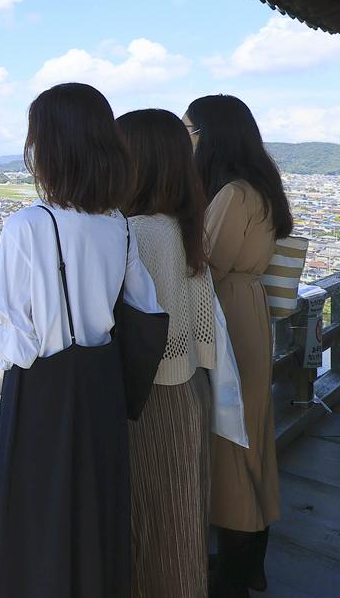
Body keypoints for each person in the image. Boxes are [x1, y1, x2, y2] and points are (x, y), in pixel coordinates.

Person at [0, 82, 163, 598]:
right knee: (96, 513)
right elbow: (146, 308)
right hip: (101, 390)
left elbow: (7, 337)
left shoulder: (28, 225)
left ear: (51, 148)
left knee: (38, 522)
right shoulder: (118, 225)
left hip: (45, 393)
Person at [184, 95, 292, 597]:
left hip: (226, 315)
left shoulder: (232, 194)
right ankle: (251, 565)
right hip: (250, 315)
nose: (188, 138)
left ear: (211, 134)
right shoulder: (262, 188)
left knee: (231, 444)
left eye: (191, 129)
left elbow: (207, 266)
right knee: (252, 439)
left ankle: (230, 577)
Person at [118, 109, 217, 598]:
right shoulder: (182, 223)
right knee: (180, 526)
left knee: (152, 531)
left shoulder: (137, 233)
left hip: (151, 398)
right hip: (189, 387)